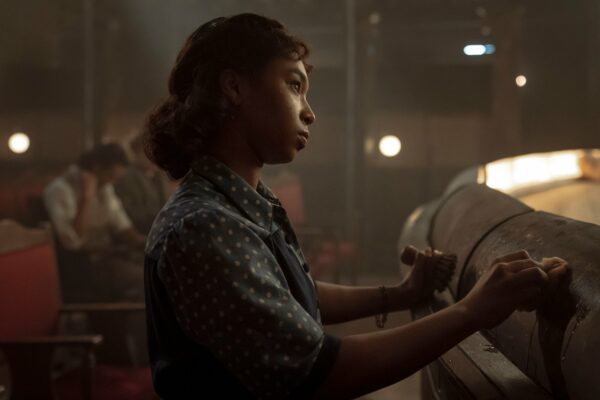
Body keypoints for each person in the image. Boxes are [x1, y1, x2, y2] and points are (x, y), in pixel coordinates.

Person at [142, 14, 568, 399]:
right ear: (233, 87)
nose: (309, 113)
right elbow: (320, 373)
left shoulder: (236, 205)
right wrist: (473, 310)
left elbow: (287, 299)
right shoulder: (205, 226)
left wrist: (401, 295)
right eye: (293, 84)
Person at [44, 143, 145, 301]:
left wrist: (148, 244)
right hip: (81, 266)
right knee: (146, 279)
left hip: (107, 259)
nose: (111, 182)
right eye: (110, 176)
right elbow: (72, 242)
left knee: (156, 269)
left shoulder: (105, 187)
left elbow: (121, 224)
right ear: (96, 168)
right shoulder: (59, 190)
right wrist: (87, 198)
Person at [114, 134, 172, 234]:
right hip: (142, 233)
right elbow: (132, 213)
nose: (154, 156)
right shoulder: (128, 177)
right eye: (147, 152)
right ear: (136, 154)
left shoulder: (159, 176)